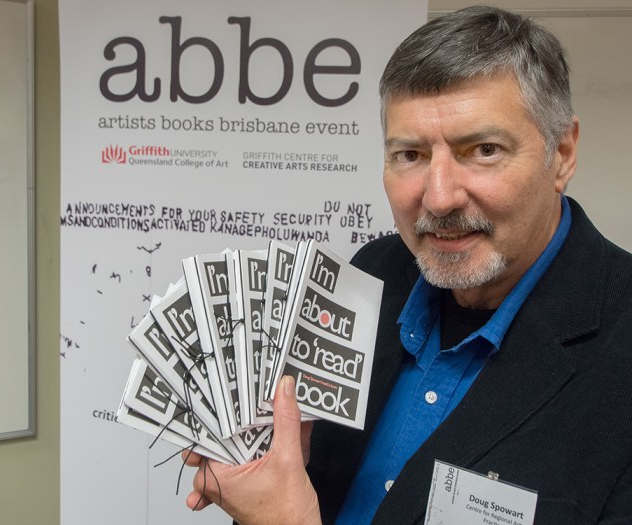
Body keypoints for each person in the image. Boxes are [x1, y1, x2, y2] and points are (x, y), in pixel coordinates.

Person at [183, 6, 632, 524]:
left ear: (563, 153)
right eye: (411, 155)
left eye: (483, 150)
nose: (438, 199)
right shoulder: (371, 273)